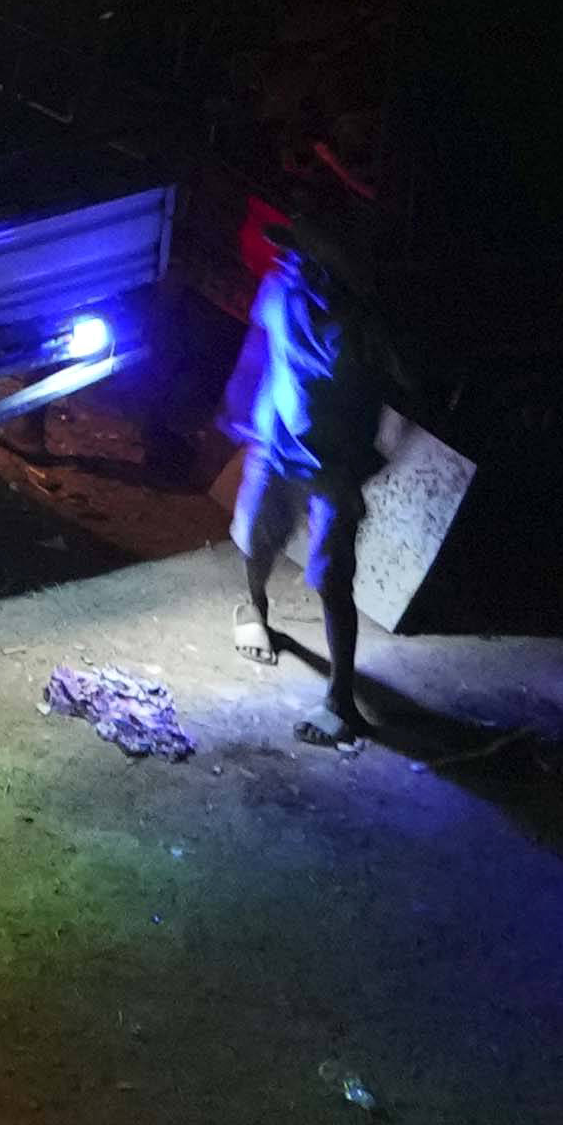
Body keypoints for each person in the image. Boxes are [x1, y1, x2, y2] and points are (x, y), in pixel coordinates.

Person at [228, 196, 384, 745]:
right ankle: (255, 607)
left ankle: (341, 699)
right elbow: (256, 347)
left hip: (333, 462)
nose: (293, 264)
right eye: (294, 256)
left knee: (330, 576)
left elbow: (410, 384)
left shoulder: (362, 328)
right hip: (275, 445)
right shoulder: (281, 291)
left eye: (308, 258)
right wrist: (239, 403)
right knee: (257, 540)